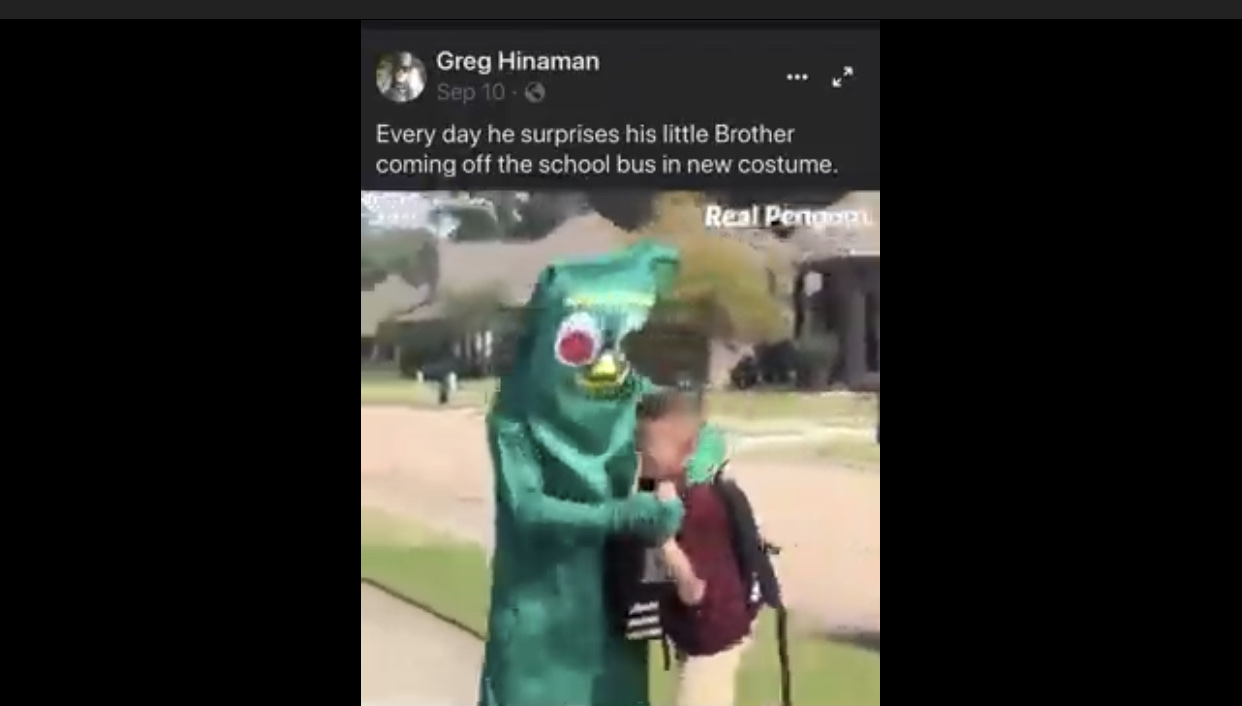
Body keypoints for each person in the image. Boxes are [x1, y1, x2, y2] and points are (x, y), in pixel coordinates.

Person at [625, 390, 775, 706]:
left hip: (714, 636)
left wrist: (663, 538)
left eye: (649, 448)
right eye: (639, 443)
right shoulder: (674, 490)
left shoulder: (698, 506)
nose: (641, 453)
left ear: (688, 450)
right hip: (697, 629)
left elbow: (693, 590)